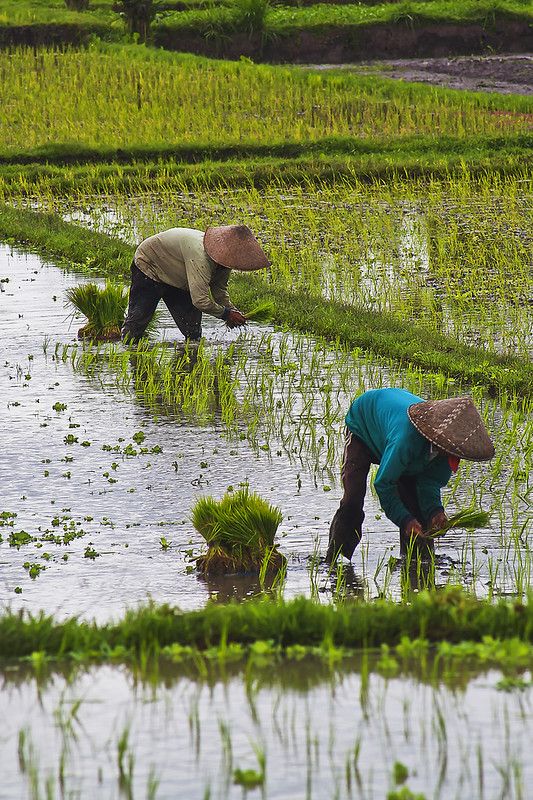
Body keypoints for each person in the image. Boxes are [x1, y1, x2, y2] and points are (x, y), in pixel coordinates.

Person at [326, 388, 495, 563]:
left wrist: (435, 512)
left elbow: (429, 483)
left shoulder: (448, 450)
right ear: (440, 442)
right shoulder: (406, 440)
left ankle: (415, 564)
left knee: (418, 513)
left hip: (395, 437)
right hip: (364, 425)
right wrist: (405, 520)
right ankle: (334, 561)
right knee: (352, 500)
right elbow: (384, 483)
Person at [121, 224, 270, 342]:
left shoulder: (224, 263)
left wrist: (232, 311)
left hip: (180, 277)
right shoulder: (200, 256)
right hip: (150, 265)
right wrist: (226, 315)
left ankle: (190, 367)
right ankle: (127, 355)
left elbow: (219, 291)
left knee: (193, 333)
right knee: (136, 326)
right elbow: (200, 301)